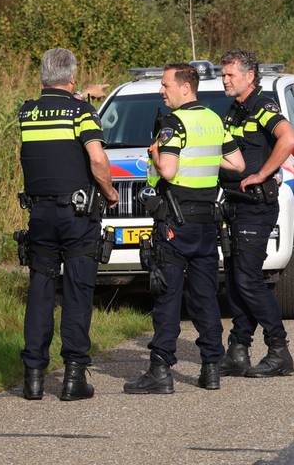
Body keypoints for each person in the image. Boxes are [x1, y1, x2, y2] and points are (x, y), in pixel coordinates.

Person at [124, 63, 244, 394]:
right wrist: (203, 157)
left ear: (185, 88)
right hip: (206, 221)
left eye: (165, 85)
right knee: (205, 295)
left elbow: (167, 169)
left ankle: (160, 369)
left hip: (175, 221)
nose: (162, 91)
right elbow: (237, 163)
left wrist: (156, 152)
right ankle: (210, 368)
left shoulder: (173, 123)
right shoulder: (213, 120)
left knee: (167, 295)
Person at [17, 48, 119, 401]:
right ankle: (74, 377)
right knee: (78, 292)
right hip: (77, 216)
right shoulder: (82, 113)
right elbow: (96, 158)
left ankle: (33, 378)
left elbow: (57, 105)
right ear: (72, 78)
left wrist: (79, 93)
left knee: (40, 293)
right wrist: (109, 193)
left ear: (43, 77)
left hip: (39, 215)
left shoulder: (27, 113)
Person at [217, 50, 294, 378]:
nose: (225, 80)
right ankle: (238, 348)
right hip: (234, 204)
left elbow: (289, 137)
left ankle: (279, 349)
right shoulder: (233, 111)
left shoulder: (262, 107)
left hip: (256, 207)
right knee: (236, 279)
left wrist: (263, 173)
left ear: (249, 77)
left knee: (248, 279)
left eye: (230, 75)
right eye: (223, 75)